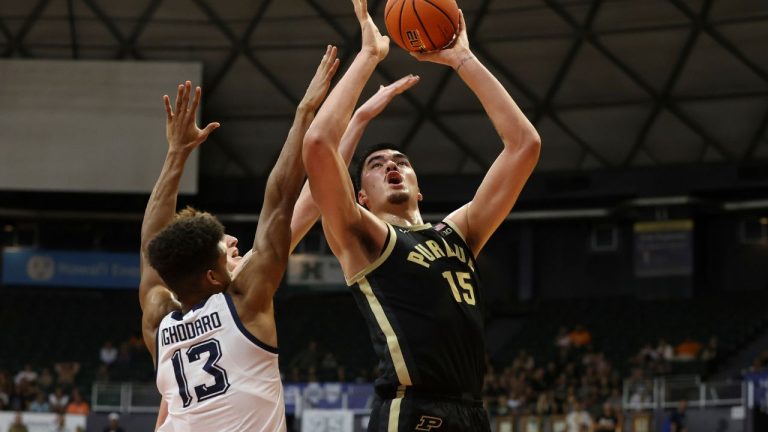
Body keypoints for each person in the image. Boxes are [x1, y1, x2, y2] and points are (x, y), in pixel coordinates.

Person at [302, 0, 541, 430]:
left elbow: (525, 145)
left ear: (419, 184)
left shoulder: (459, 232)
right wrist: (368, 60)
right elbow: (318, 143)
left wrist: (463, 59)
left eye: (400, 161)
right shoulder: (363, 237)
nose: (392, 166)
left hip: (473, 413)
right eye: (377, 165)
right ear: (361, 197)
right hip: (412, 410)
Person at [139, 46, 339, 431]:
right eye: (224, 249)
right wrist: (304, 113)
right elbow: (279, 200)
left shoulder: (159, 323)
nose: (234, 245)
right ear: (213, 277)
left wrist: (177, 154)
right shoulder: (244, 303)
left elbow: (152, 248)